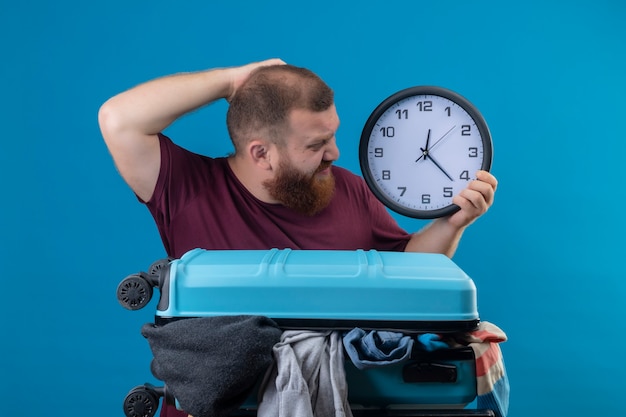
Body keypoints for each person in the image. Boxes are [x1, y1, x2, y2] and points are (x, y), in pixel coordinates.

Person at [98, 58, 498, 417]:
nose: (336, 153)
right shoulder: (185, 188)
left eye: (333, 135)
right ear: (261, 154)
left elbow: (409, 269)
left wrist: (452, 224)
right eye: (316, 145)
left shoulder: (347, 190)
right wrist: (230, 80)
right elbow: (118, 118)